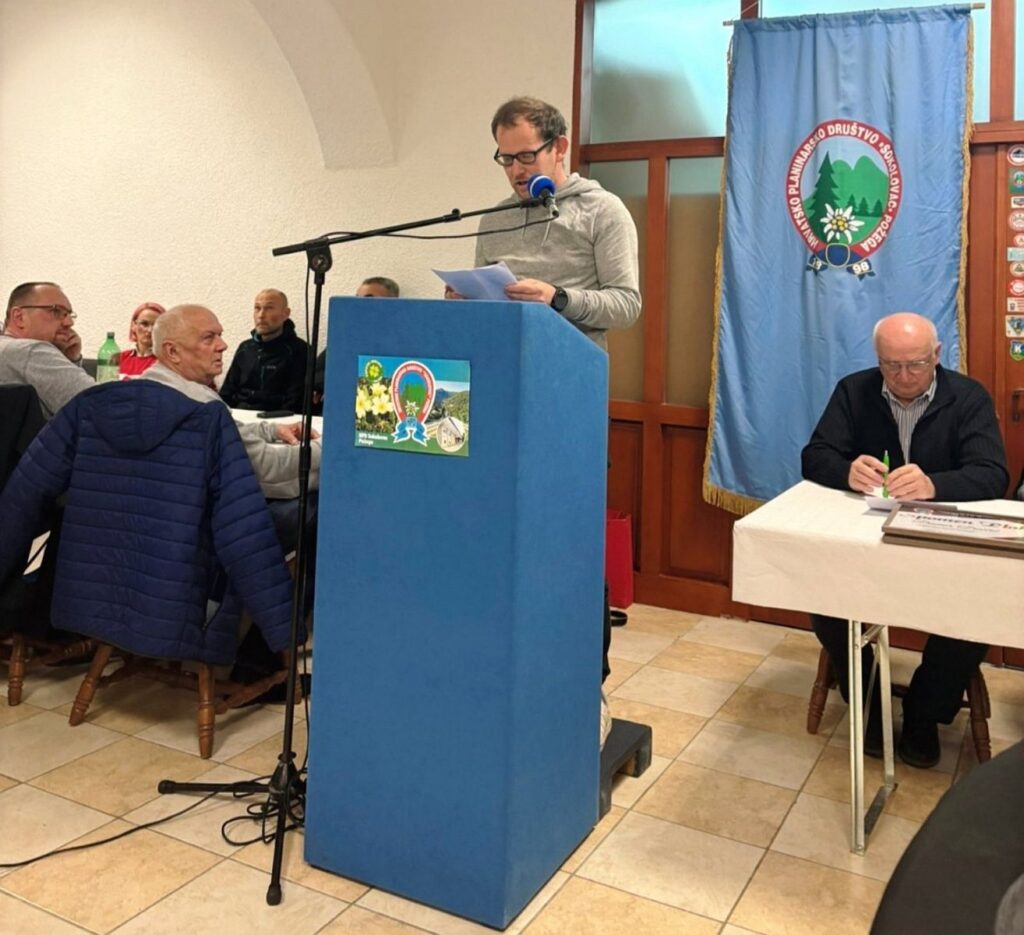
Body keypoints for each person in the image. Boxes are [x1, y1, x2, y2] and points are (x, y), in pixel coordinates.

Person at [801, 311, 1009, 768]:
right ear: (878, 360)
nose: (904, 376)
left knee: (978, 607)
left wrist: (935, 484)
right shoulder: (854, 390)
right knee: (824, 595)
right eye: (891, 366)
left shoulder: (967, 397)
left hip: (943, 545)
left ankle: (923, 713)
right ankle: (869, 704)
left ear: (936, 355)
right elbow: (814, 456)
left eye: (916, 364)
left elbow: (993, 474)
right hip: (867, 540)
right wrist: (846, 470)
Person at [470, 96, 641, 351]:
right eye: (507, 159)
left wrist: (558, 298)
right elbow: (485, 309)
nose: (516, 170)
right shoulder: (494, 219)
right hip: (502, 358)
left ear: (559, 148)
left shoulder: (602, 210)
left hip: (571, 362)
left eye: (526, 156)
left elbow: (626, 305)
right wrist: (466, 299)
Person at [0, 282, 93, 418]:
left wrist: (70, 360)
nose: (69, 323)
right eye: (55, 311)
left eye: (68, 315)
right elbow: (99, 404)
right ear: (19, 317)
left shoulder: (7, 350)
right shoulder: (31, 351)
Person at [313, 276, 400, 412]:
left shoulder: (400, 341)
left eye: (369, 299)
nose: (359, 305)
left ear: (393, 304)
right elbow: (315, 376)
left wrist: (340, 384)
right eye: (357, 299)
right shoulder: (345, 338)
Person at [219, 288, 308, 413]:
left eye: (269, 308)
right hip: (239, 415)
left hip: (278, 419)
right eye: (257, 308)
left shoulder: (299, 350)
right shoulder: (245, 348)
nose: (261, 315)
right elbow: (227, 393)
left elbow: (296, 401)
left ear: (285, 313)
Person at [119, 302, 166, 378]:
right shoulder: (120, 358)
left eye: (156, 325)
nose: (150, 330)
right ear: (134, 325)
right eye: (144, 324)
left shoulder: (167, 362)